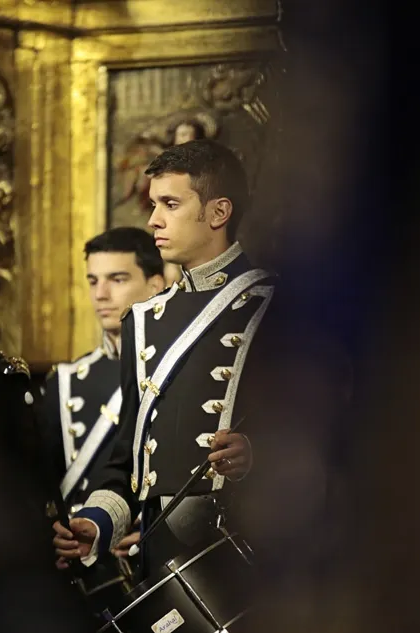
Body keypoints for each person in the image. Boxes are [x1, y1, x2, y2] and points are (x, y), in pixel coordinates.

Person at [53, 140, 273, 587]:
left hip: (246, 552)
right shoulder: (142, 321)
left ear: (218, 212)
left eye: (170, 204)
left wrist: (257, 455)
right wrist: (96, 523)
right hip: (162, 556)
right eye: (154, 205)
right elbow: (126, 461)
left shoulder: (275, 304)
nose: (153, 220)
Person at [43, 228, 165, 600]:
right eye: (93, 280)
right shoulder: (63, 382)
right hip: (83, 575)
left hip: (151, 568)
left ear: (156, 285)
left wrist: (150, 528)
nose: (101, 294)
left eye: (118, 279)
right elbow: (42, 483)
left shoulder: (171, 372)